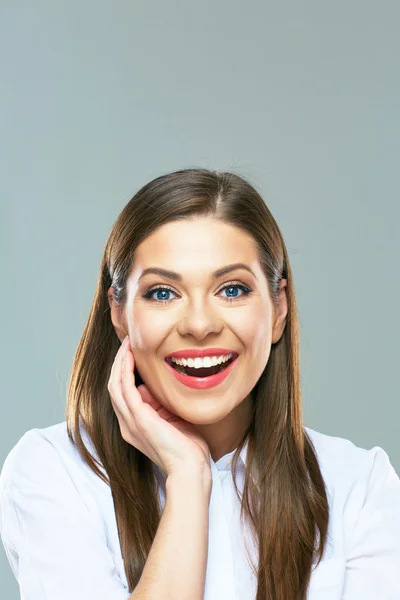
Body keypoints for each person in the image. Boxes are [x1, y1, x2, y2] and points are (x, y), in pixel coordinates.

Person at [1, 168, 399, 600]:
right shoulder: (54, 472)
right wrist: (188, 479)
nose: (199, 325)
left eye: (231, 289)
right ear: (118, 314)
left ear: (279, 309)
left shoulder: (359, 487)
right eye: (162, 293)